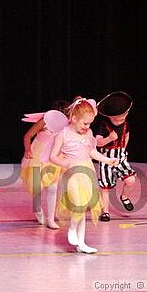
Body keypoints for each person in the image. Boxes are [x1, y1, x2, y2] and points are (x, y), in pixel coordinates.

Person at [50, 97, 118, 254]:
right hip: (72, 172)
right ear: (73, 118)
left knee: (84, 205)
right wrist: (64, 163)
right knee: (78, 204)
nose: (87, 127)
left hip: (87, 172)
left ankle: (81, 243)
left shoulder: (89, 133)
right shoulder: (63, 134)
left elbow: (92, 151)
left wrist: (108, 160)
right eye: (84, 123)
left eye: (90, 124)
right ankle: (72, 229)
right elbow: (53, 156)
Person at [21, 100, 70, 229]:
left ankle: (50, 218)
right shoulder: (45, 121)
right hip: (38, 156)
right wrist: (28, 150)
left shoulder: (67, 124)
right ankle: (37, 209)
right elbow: (27, 136)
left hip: (54, 157)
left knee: (53, 188)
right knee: (37, 187)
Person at [92, 91, 136, 222]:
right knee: (106, 187)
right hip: (106, 160)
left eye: (122, 118)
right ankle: (105, 211)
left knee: (131, 180)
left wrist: (123, 149)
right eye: (117, 119)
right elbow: (97, 143)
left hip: (121, 158)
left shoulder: (126, 124)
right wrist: (108, 139)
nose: (120, 122)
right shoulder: (103, 126)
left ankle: (125, 197)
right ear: (109, 117)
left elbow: (126, 135)